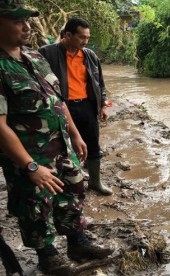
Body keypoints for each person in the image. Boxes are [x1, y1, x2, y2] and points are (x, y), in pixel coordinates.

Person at [0, 1, 113, 274]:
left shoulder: (35, 58)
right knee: (36, 205)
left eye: (28, 20)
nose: (27, 27)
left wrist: (75, 135)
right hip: (29, 156)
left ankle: (77, 241)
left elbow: (57, 101)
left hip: (61, 145)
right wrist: (29, 165)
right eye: (18, 21)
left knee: (75, 188)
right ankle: (47, 256)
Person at [39, 18, 112, 195]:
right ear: (68, 35)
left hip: (87, 106)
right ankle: (66, 186)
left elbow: (99, 83)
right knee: (62, 147)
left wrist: (102, 105)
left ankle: (95, 182)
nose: (85, 42)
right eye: (82, 37)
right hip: (60, 108)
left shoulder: (89, 56)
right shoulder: (46, 53)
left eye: (87, 37)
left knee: (92, 145)